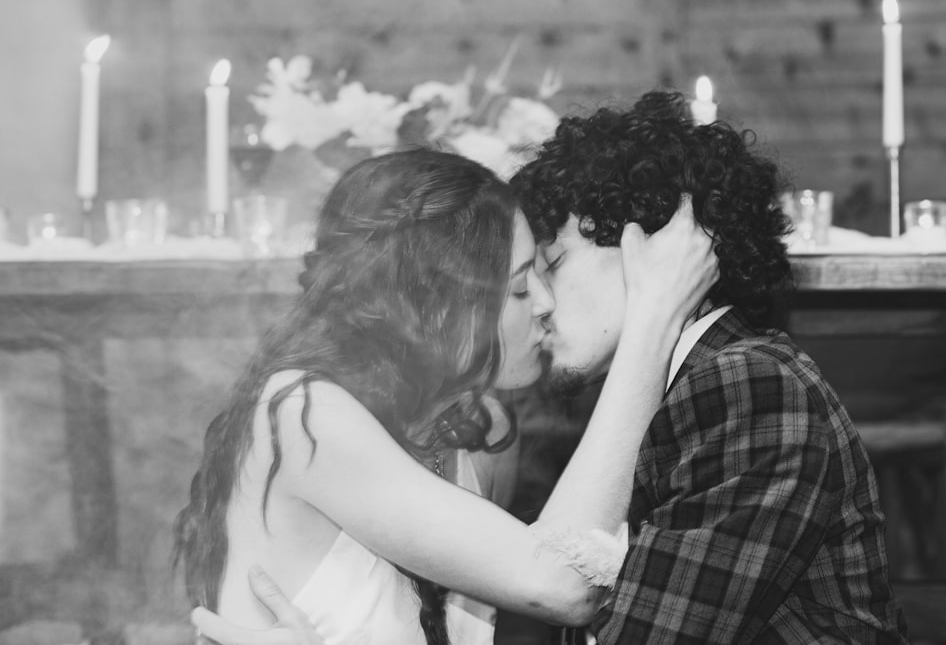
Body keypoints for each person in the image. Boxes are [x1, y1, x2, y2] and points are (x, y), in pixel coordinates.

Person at [175, 147, 719, 645]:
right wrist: (654, 318)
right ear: (434, 305)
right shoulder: (305, 412)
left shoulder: (482, 431)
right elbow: (563, 582)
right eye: (521, 286)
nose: (547, 303)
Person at [510, 90, 908, 643]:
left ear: (653, 244)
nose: (539, 302)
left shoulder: (749, 384)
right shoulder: (671, 388)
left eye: (552, 263)